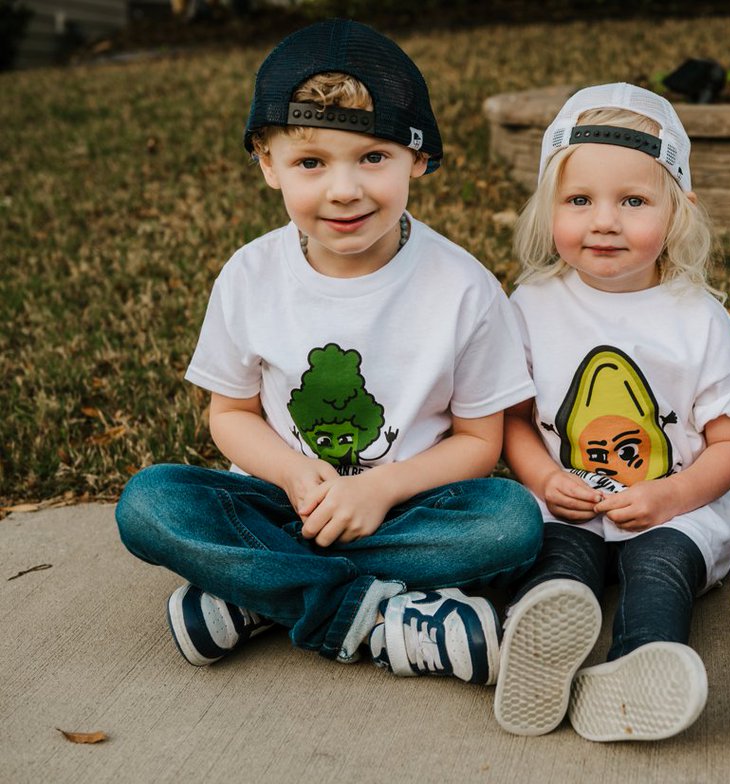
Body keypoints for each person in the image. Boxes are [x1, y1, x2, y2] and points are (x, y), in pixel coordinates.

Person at [114, 19, 542, 686]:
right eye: (311, 163)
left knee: (509, 525)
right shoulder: (250, 277)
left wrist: (380, 488)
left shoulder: (462, 288)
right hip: (285, 500)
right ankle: (367, 618)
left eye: (373, 157)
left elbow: (480, 441)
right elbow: (230, 415)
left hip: (408, 507)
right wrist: (290, 473)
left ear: (418, 158)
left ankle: (256, 590)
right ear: (267, 164)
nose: (344, 188)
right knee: (149, 502)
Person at [491, 83, 730, 742]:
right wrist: (541, 479)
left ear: (677, 210)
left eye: (633, 201)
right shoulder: (530, 303)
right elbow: (517, 421)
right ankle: (535, 659)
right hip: (572, 502)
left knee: (660, 570)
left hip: (675, 509)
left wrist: (671, 496)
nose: (603, 220)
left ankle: (636, 667)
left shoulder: (697, 319)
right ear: (548, 207)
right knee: (556, 566)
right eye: (579, 200)